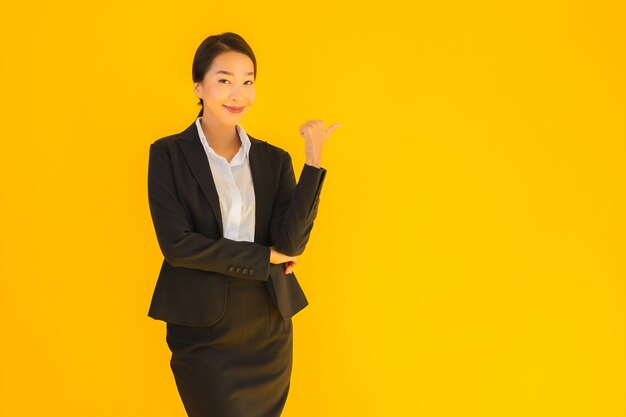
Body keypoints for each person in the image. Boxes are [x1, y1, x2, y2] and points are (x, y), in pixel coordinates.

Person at [146, 32, 340, 417]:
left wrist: (313, 163)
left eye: (247, 81)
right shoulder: (167, 153)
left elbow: (290, 244)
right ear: (198, 85)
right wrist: (262, 256)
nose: (238, 93)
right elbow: (177, 245)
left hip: (268, 325)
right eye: (224, 80)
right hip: (202, 329)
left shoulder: (273, 159)